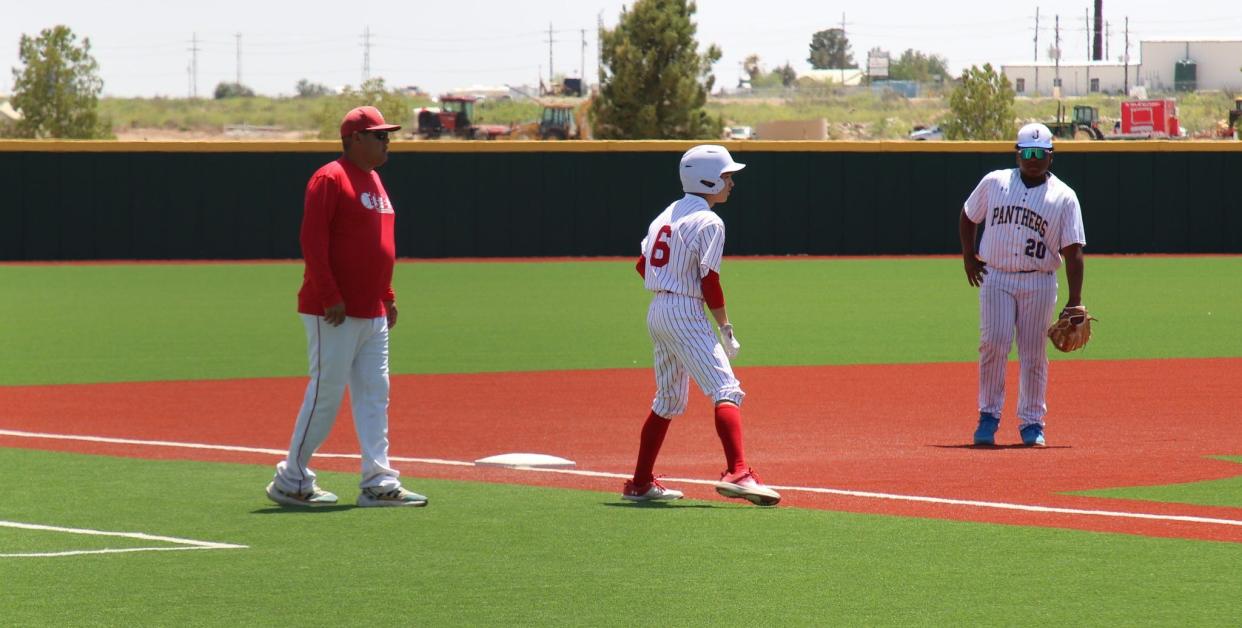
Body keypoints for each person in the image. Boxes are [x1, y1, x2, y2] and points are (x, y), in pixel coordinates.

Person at [266, 106, 427, 507]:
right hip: (333, 311)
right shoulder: (330, 178)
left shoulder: (375, 180)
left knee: (375, 393)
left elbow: (379, 247)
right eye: (379, 135)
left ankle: (378, 480)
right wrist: (329, 295)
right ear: (355, 139)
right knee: (326, 394)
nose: (387, 141)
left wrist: (386, 295)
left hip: (371, 311)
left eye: (387, 135)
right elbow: (313, 242)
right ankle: (292, 479)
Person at [623, 144, 781, 506]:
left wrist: (670, 283)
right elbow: (709, 279)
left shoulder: (665, 215)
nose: (731, 183)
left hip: (658, 310)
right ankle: (738, 471)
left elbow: (641, 266)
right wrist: (724, 325)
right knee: (726, 388)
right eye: (726, 176)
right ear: (707, 179)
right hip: (684, 311)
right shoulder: (710, 221)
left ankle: (640, 482)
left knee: (667, 400)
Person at [958, 123, 1087, 447]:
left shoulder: (1064, 197)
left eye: (1039, 154)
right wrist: (968, 257)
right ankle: (988, 416)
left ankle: (1032, 423)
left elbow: (1073, 252)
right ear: (1017, 154)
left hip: (1039, 282)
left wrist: (1075, 300)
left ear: (1051, 157)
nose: (1032, 159)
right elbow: (968, 215)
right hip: (997, 276)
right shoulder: (995, 182)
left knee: (1033, 354)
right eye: (1026, 153)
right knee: (994, 344)